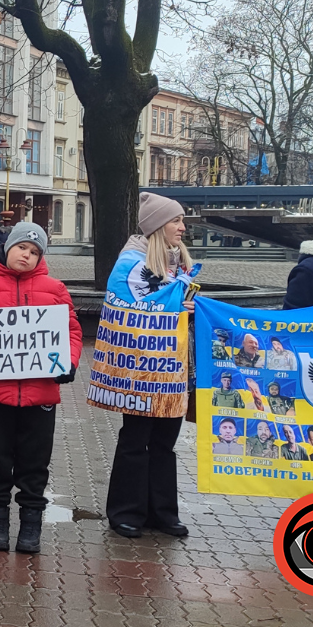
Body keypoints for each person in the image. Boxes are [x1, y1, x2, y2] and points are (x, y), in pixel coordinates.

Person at [0, 223, 81, 553]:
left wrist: (70, 363)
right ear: (8, 247)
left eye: (35, 251)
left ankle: (31, 524)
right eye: (23, 247)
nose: (27, 254)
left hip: (40, 393)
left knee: (35, 461)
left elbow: (71, 331)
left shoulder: (55, 289)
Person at [104, 193, 195, 540]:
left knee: (164, 442)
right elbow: (125, 313)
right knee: (135, 440)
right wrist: (173, 311)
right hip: (141, 371)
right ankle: (126, 512)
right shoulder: (130, 265)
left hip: (173, 369)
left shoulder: (181, 266)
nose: (182, 227)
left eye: (182, 220)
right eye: (176, 220)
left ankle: (162, 512)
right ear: (158, 225)